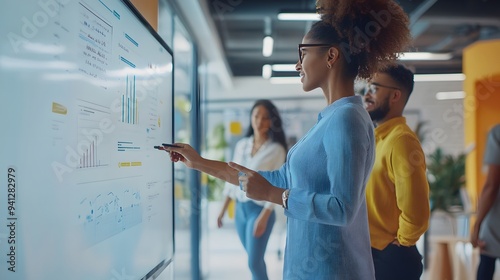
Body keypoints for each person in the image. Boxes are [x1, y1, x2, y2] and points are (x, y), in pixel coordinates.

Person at [161, 1, 411, 278]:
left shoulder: (346, 119)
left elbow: (342, 209)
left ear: (331, 56)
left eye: (302, 54)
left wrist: (272, 196)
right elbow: (277, 178)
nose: (297, 64)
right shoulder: (332, 118)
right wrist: (199, 163)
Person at [362, 64, 430, 280]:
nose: (367, 94)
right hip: (374, 253)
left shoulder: (401, 141)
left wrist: (402, 242)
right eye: (367, 88)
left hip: (391, 258)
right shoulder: (378, 139)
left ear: (395, 96)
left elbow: (416, 209)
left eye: (374, 88)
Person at [217, 99, 287, 280]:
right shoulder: (242, 145)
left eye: (265, 118)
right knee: (254, 259)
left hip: (260, 210)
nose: (259, 121)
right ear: (251, 118)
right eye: (256, 116)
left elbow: (279, 184)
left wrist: (264, 216)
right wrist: (222, 210)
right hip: (241, 210)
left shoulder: (277, 149)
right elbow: (230, 179)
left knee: (253, 262)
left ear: (271, 121)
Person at [471, 124, 500, 280]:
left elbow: (492, 185)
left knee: (487, 257)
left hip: (496, 220)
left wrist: (477, 225)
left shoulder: (497, 134)